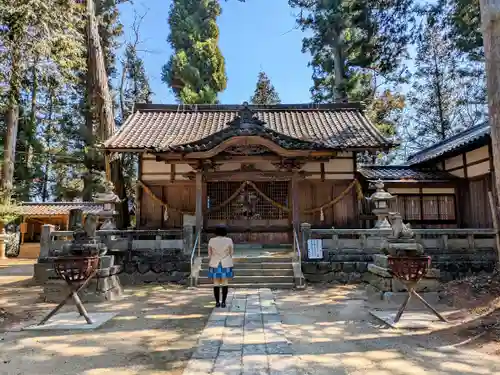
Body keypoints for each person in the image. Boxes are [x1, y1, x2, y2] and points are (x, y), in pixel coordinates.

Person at [207, 225, 234, 308]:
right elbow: (231, 253)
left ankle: (217, 302)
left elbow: (209, 254)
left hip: (215, 263)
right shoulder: (229, 240)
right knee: (225, 283)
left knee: (216, 283)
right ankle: (224, 302)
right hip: (226, 263)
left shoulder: (211, 240)